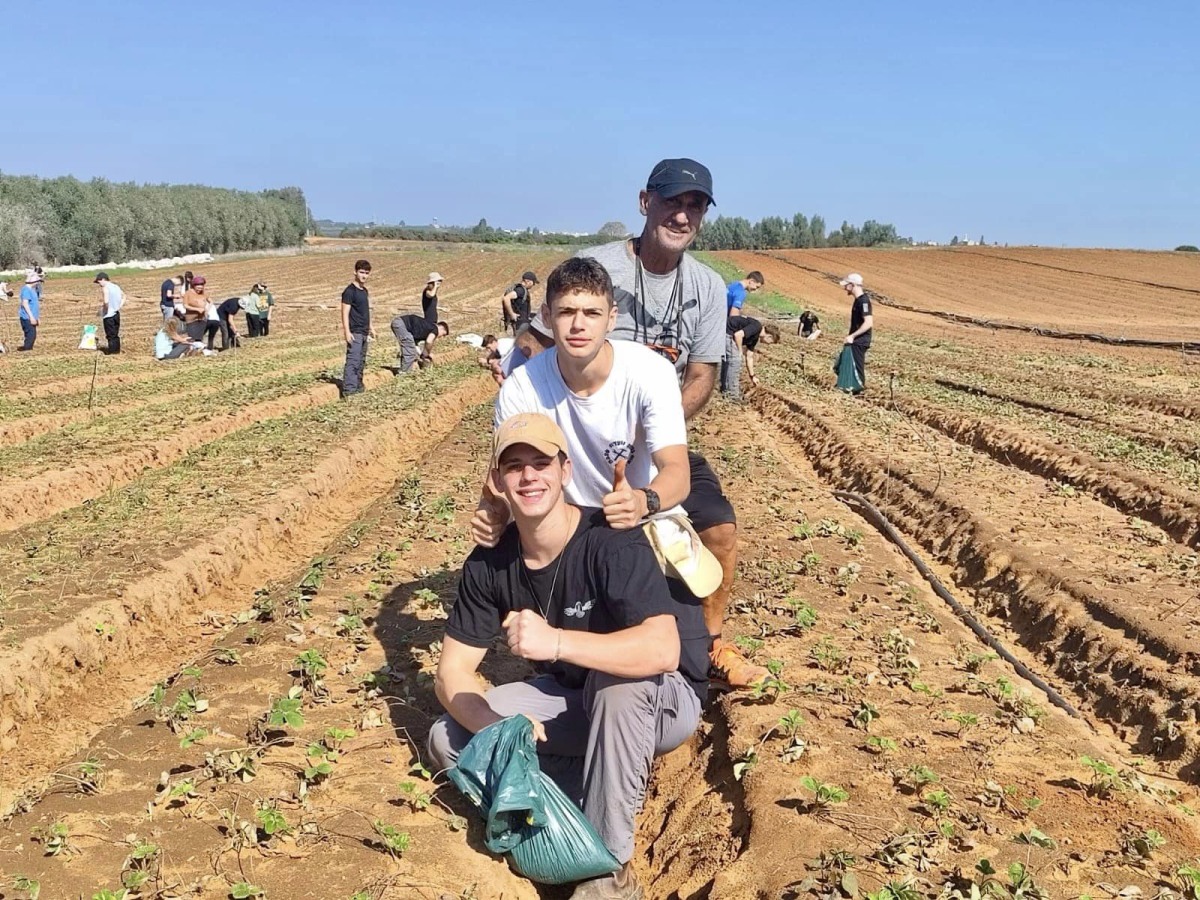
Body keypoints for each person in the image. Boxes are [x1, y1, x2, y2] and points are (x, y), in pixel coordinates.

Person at [499, 158, 764, 688]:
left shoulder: (708, 287)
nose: (682, 215)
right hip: (580, 438)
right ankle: (549, 628)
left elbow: (702, 374)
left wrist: (654, 424)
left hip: (656, 442)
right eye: (672, 202)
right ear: (646, 203)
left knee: (719, 526)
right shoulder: (597, 269)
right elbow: (533, 340)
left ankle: (712, 642)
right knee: (539, 524)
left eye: (695, 206)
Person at [429, 412, 707, 900]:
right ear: (497, 481)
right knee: (447, 738)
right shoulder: (489, 563)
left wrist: (556, 641)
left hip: (658, 701)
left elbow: (663, 649)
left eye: (541, 463)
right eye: (514, 466)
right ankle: (585, 798)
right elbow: (451, 672)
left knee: (615, 684)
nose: (528, 476)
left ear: (565, 471)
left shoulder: (610, 539)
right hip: (572, 699)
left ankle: (607, 873)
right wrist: (499, 729)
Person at [721, 316, 779, 399]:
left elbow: (749, 357)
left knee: (730, 361)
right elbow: (738, 335)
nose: (768, 344)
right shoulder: (756, 327)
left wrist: (752, 376)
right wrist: (740, 351)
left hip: (727, 332)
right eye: (770, 342)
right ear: (769, 336)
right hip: (726, 331)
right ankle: (732, 395)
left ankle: (725, 389)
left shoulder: (755, 338)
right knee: (735, 361)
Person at [341, 259, 374, 395]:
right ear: (355, 272)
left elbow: (365, 311)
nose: (364, 276)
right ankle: (349, 391)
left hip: (364, 332)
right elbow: (344, 312)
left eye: (366, 273)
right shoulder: (350, 291)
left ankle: (358, 388)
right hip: (355, 332)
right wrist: (347, 332)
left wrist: (371, 328)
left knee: (361, 361)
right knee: (353, 361)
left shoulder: (364, 291)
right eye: (361, 272)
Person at [841, 273, 874, 392]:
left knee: (857, 369)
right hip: (855, 340)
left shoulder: (863, 302)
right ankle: (850, 389)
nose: (845, 288)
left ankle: (858, 392)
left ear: (852, 285)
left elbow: (868, 323)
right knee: (848, 366)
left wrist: (853, 336)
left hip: (860, 341)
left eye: (846, 285)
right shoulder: (858, 300)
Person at [94, 272, 125, 354]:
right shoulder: (116, 286)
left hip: (109, 316)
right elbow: (124, 296)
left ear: (103, 279)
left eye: (99, 282)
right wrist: (119, 306)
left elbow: (106, 302)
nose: (99, 284)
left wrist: (104, 311)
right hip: (116, 313)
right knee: (115, 334)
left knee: (110, 335)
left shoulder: (105, 288)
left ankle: (112, 352)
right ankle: (117, 351)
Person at [17, 272, 41, 351]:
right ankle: (26, 350)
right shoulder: (26, 290)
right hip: (27, 317)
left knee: (32, 335)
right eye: (38, 281)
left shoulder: (32, 290)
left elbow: (34, 305)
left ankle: (27, 348)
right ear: (34, 282)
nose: (38, 283)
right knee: (31, 335)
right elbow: (25, 304)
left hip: (32, 317)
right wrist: (31, 317)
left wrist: (37, 317)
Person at [182, 276, 210, 340]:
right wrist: (197, 309)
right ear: (194, 286)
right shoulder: (188, 293)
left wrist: (207, 309)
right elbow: (185, 305)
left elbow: (210, 301)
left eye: (201, 288)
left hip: (202, 319)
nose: (199, 290)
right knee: (192, 338)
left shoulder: (204, 292)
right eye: (198, 288)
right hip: (191, 320)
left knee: (199, 338)